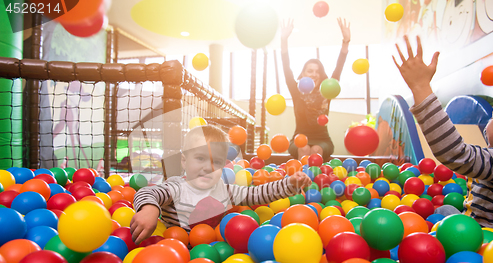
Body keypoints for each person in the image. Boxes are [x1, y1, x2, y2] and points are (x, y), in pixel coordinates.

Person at [131, 125, 312, 244]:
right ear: (184, 161)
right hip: (171, 246)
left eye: (216, 162)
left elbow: (256, 194)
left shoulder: (223, 190)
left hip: (213, 250)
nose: (208, 167)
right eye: (200, 158)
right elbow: (148, 193)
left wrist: (290, 184)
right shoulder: (176, 187)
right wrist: (149, 210)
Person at [393, 35, 493, 230]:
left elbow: (455, 153)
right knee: (445, 210)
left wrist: (420, 87)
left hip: (483, 240)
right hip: (473, 227)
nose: (487, 125)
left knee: (441, 214)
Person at [281, 18, 351, 160]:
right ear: (303, 73)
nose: (313, 74)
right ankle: (302, 181)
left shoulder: (327, 90)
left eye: (317, 71)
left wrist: (346, 41)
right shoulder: (296, 91)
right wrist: (283, 40)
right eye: (310, 71)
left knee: (316, 149)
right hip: (299, 139)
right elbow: (286, 68)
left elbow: (338, 68)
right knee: (304, 148)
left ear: (321, 74)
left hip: (322, 140)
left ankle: (316, 181)